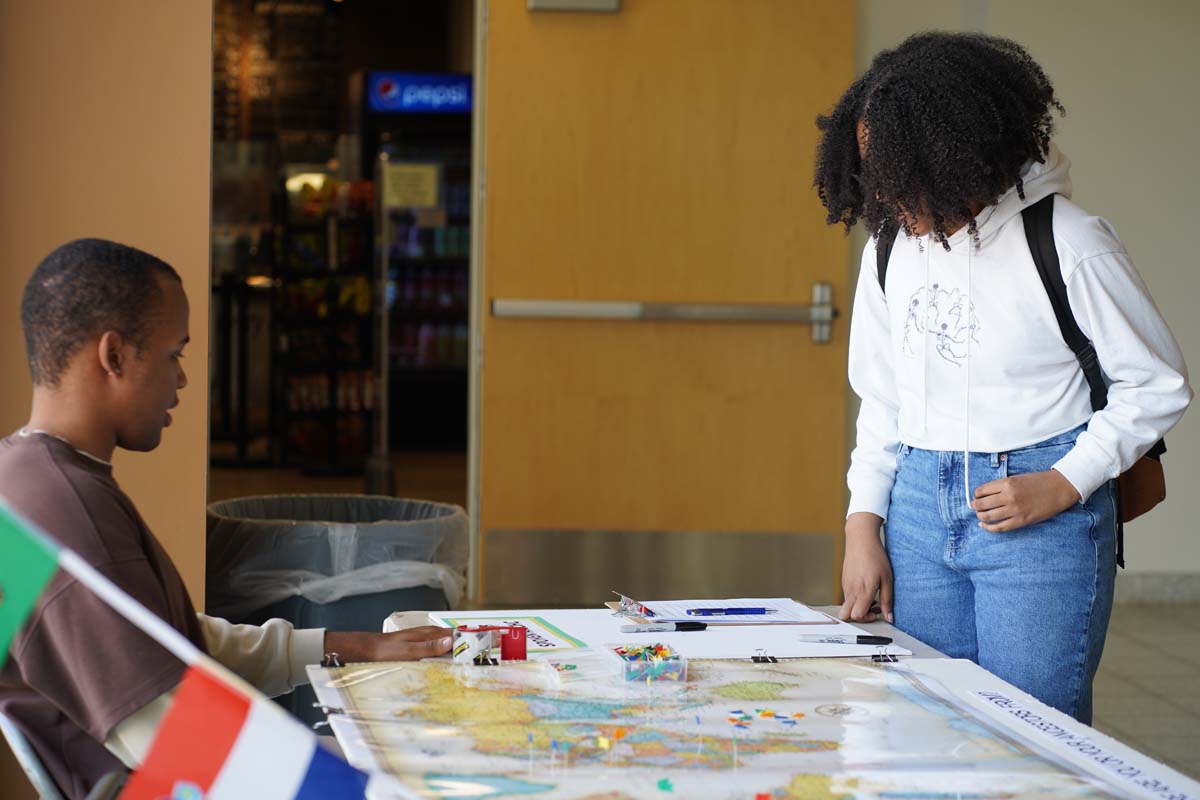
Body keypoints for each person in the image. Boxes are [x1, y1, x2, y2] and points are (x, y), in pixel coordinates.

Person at [813, 32, 1191, 723]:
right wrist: (861, 525)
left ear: (959, 155)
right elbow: (882, 399)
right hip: (918, 510)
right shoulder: (891, 249)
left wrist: (1063, 483)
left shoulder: (1070, 242)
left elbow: (1158, 384)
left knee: (1031, 736)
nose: (887, 195)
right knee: (922, 729)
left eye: (901, 173)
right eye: (875, 173)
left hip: (1042, 513)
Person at [0, 238, 454, 799]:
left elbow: (167, 644)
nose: (183, 380)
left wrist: (356, 645)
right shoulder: (66, 515)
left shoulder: (26, 478)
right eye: (174, 354)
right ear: (114, 356)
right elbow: (177, 739)